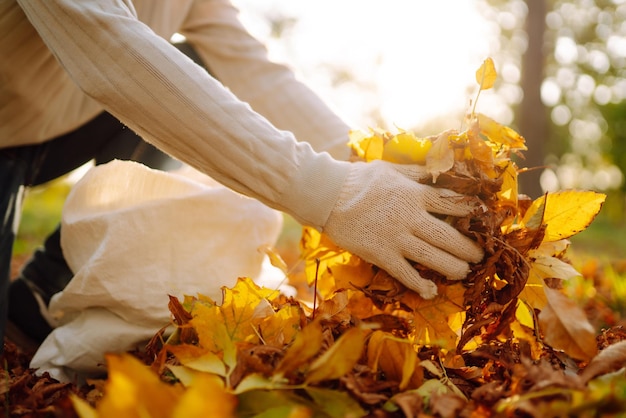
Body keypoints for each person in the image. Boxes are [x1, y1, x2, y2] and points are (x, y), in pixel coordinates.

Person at [1, 0, 484, 352]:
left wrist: (363, 162)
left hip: (53, 130)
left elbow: (256, 73)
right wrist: (326, 191)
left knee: (195, 61)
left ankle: (45, 287)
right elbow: (109, 50)